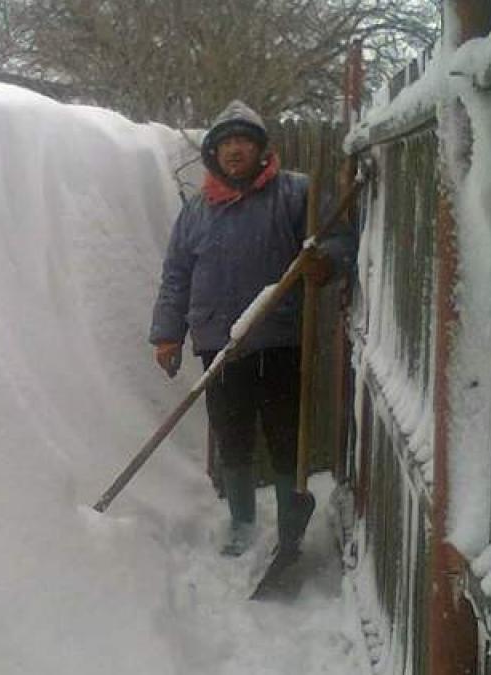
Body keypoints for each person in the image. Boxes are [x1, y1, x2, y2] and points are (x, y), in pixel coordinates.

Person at [149, 100, 355, 557]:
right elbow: (177, 276)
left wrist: (326, 263)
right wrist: (167, 334)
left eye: (244, 141)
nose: (235, 150)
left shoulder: (295, 193)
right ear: (213, 154)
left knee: (285, 433)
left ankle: (288, 525)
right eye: (225, 144)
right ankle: (241, 522)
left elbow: (339, 238)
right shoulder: (197, 211)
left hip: (278, 338)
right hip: (218, 344)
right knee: (232, 433)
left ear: (261, 149)